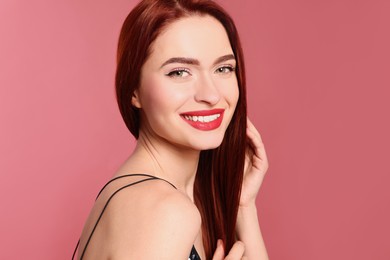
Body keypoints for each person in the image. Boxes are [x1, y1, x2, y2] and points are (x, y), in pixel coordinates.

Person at [73, 0, 269, 259]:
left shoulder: (140, 193)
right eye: (179, 72)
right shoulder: (165, 211)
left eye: (223, 68)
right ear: (134, 89)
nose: (211, 95)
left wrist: (243, 205)